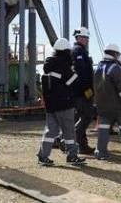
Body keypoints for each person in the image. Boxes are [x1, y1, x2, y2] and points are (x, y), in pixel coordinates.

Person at [36, 38, 87, 166]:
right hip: (64, 105)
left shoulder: (48, 66)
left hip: (51, 106)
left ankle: (43, 155)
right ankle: (72, 156)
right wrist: (78, 71)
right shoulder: (63, 66)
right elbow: (73, 83)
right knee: (69, 131)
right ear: (65, 52)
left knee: (50, 131)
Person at [71, 27, 95, 155]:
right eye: (85, 38)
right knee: (86, 116)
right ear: (79, 38)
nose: (87, 40)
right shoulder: (78, 50)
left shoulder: (79, 50)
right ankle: (67, 140)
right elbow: (80, 71)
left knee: (79, 117)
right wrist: (87, 89)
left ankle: (81, 145)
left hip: (79, 90)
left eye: (87, 38)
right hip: (81, 91)